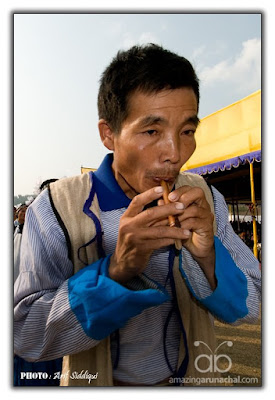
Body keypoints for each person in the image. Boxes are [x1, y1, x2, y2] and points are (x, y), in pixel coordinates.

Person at [14, 44, 261, 387]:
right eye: (151, 131)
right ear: (108, 134)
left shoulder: (205, 198)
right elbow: (25, 334)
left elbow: (254, 306)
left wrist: (207, 256)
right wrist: (115, 270)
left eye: (187, 131)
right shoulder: (56, 208)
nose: (174, 154)